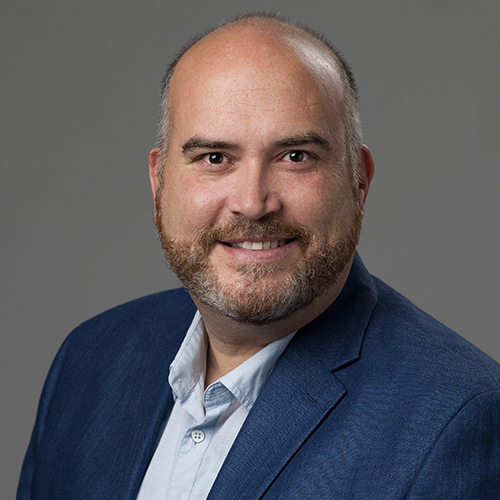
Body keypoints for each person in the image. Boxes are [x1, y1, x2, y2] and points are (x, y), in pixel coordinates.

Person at [18, 13, 500, 500]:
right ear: (158, 181)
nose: (252, 203)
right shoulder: (89, 359)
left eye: (296, 156)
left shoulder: (459, 421)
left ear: (359, 180)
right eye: (214, 158)